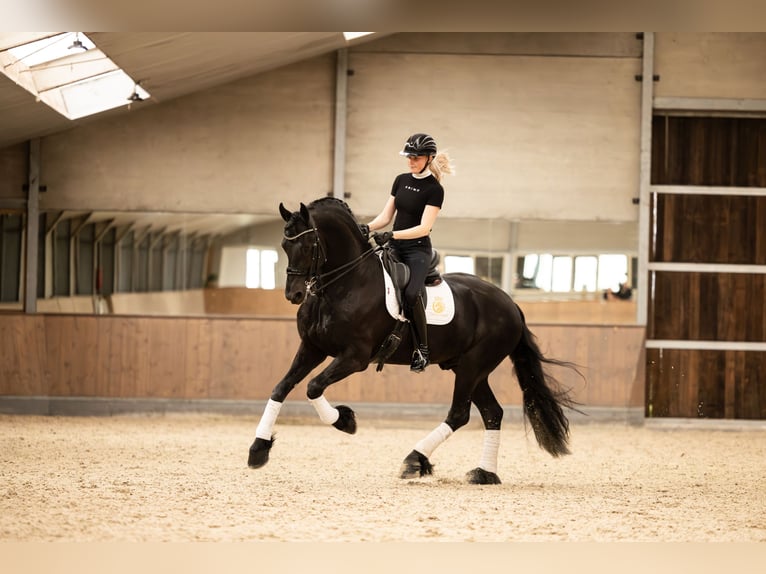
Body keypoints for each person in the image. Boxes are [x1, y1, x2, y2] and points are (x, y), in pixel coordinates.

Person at [359, 133, 454, 373]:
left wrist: (392, 235)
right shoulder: (400, 180)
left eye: (416, 157)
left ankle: (422, 350)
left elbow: (424, 228)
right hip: (394, 246)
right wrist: (366, 228)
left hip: (417, 250)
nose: (411, 161)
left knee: (411, 294)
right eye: (409, 156)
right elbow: (386, 217)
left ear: (428, 158)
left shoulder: (434, 189)